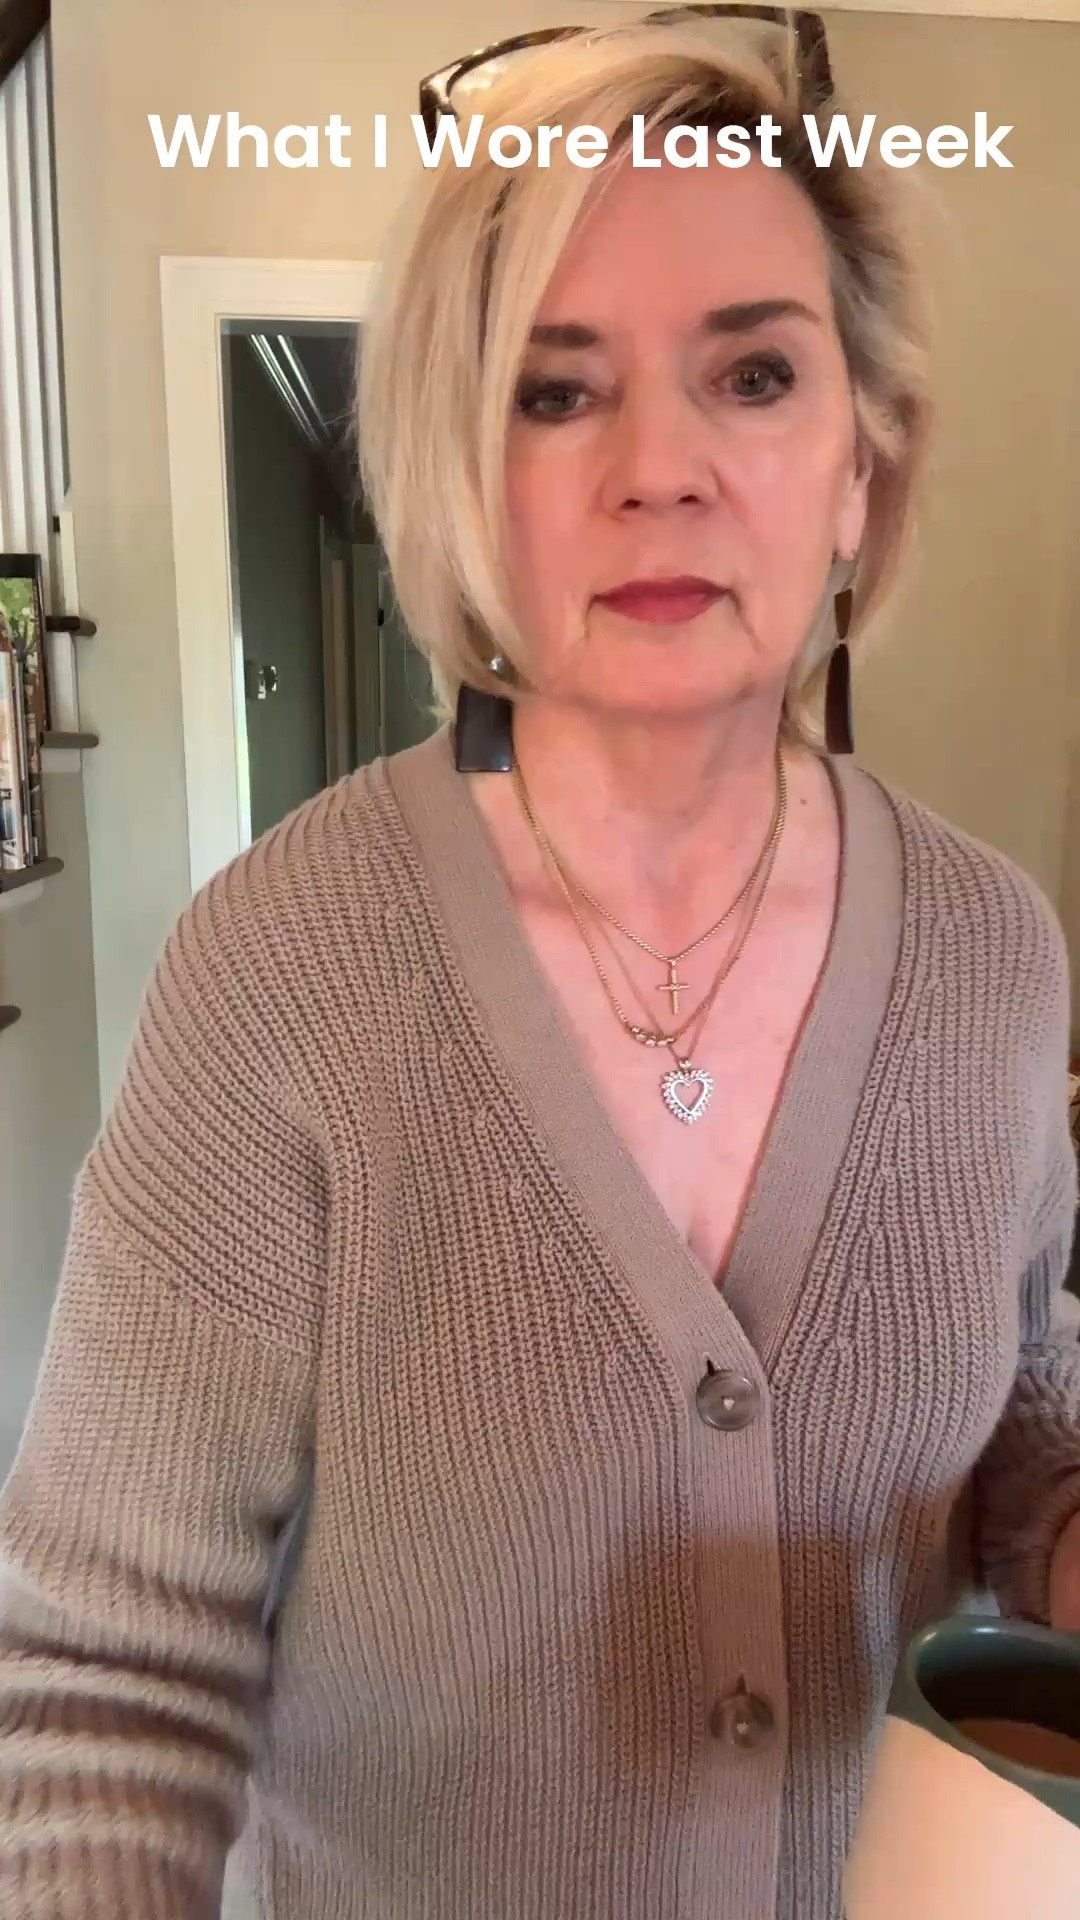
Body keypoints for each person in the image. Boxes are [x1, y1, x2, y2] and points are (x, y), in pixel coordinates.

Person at [2, 15, 1078, 1919]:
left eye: (755, 373)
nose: (662, 468)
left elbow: (1021, 1416)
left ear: (860, 462)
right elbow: (104, 1676)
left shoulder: (996, 952)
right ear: (457, 469)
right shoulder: (277, 978)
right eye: (556, 392)